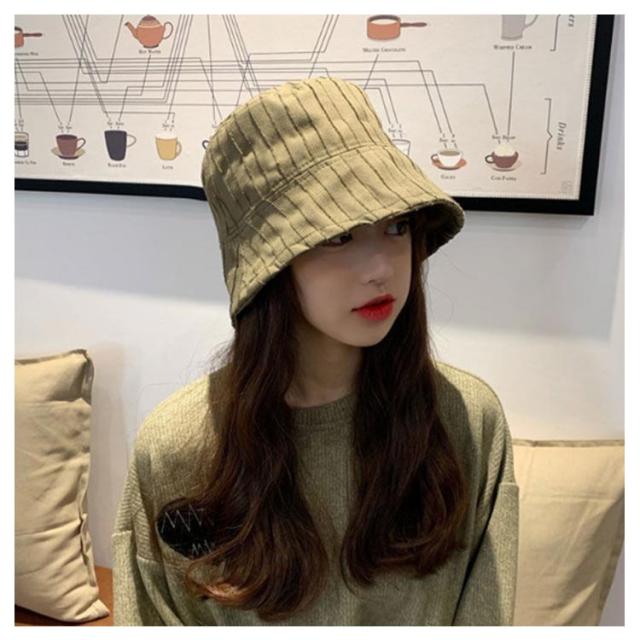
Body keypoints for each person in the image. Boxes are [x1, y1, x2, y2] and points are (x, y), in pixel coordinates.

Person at [112, 76, 519, 625]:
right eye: (337, 237)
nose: (381, 268)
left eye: (398, 226)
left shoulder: (466, 420)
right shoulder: (179, 446)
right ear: (268, 266)